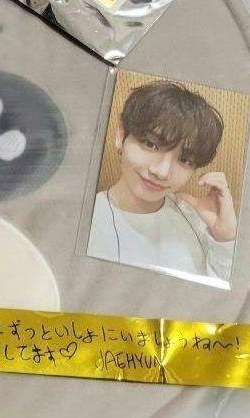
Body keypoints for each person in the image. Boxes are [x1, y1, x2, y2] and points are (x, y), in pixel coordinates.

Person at [88, 80, 238, 284]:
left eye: (185, 159)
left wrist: (225, 239)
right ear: (121, 135)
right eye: (150, 144)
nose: (162, 172)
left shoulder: (195, 219)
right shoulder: (88, 222)